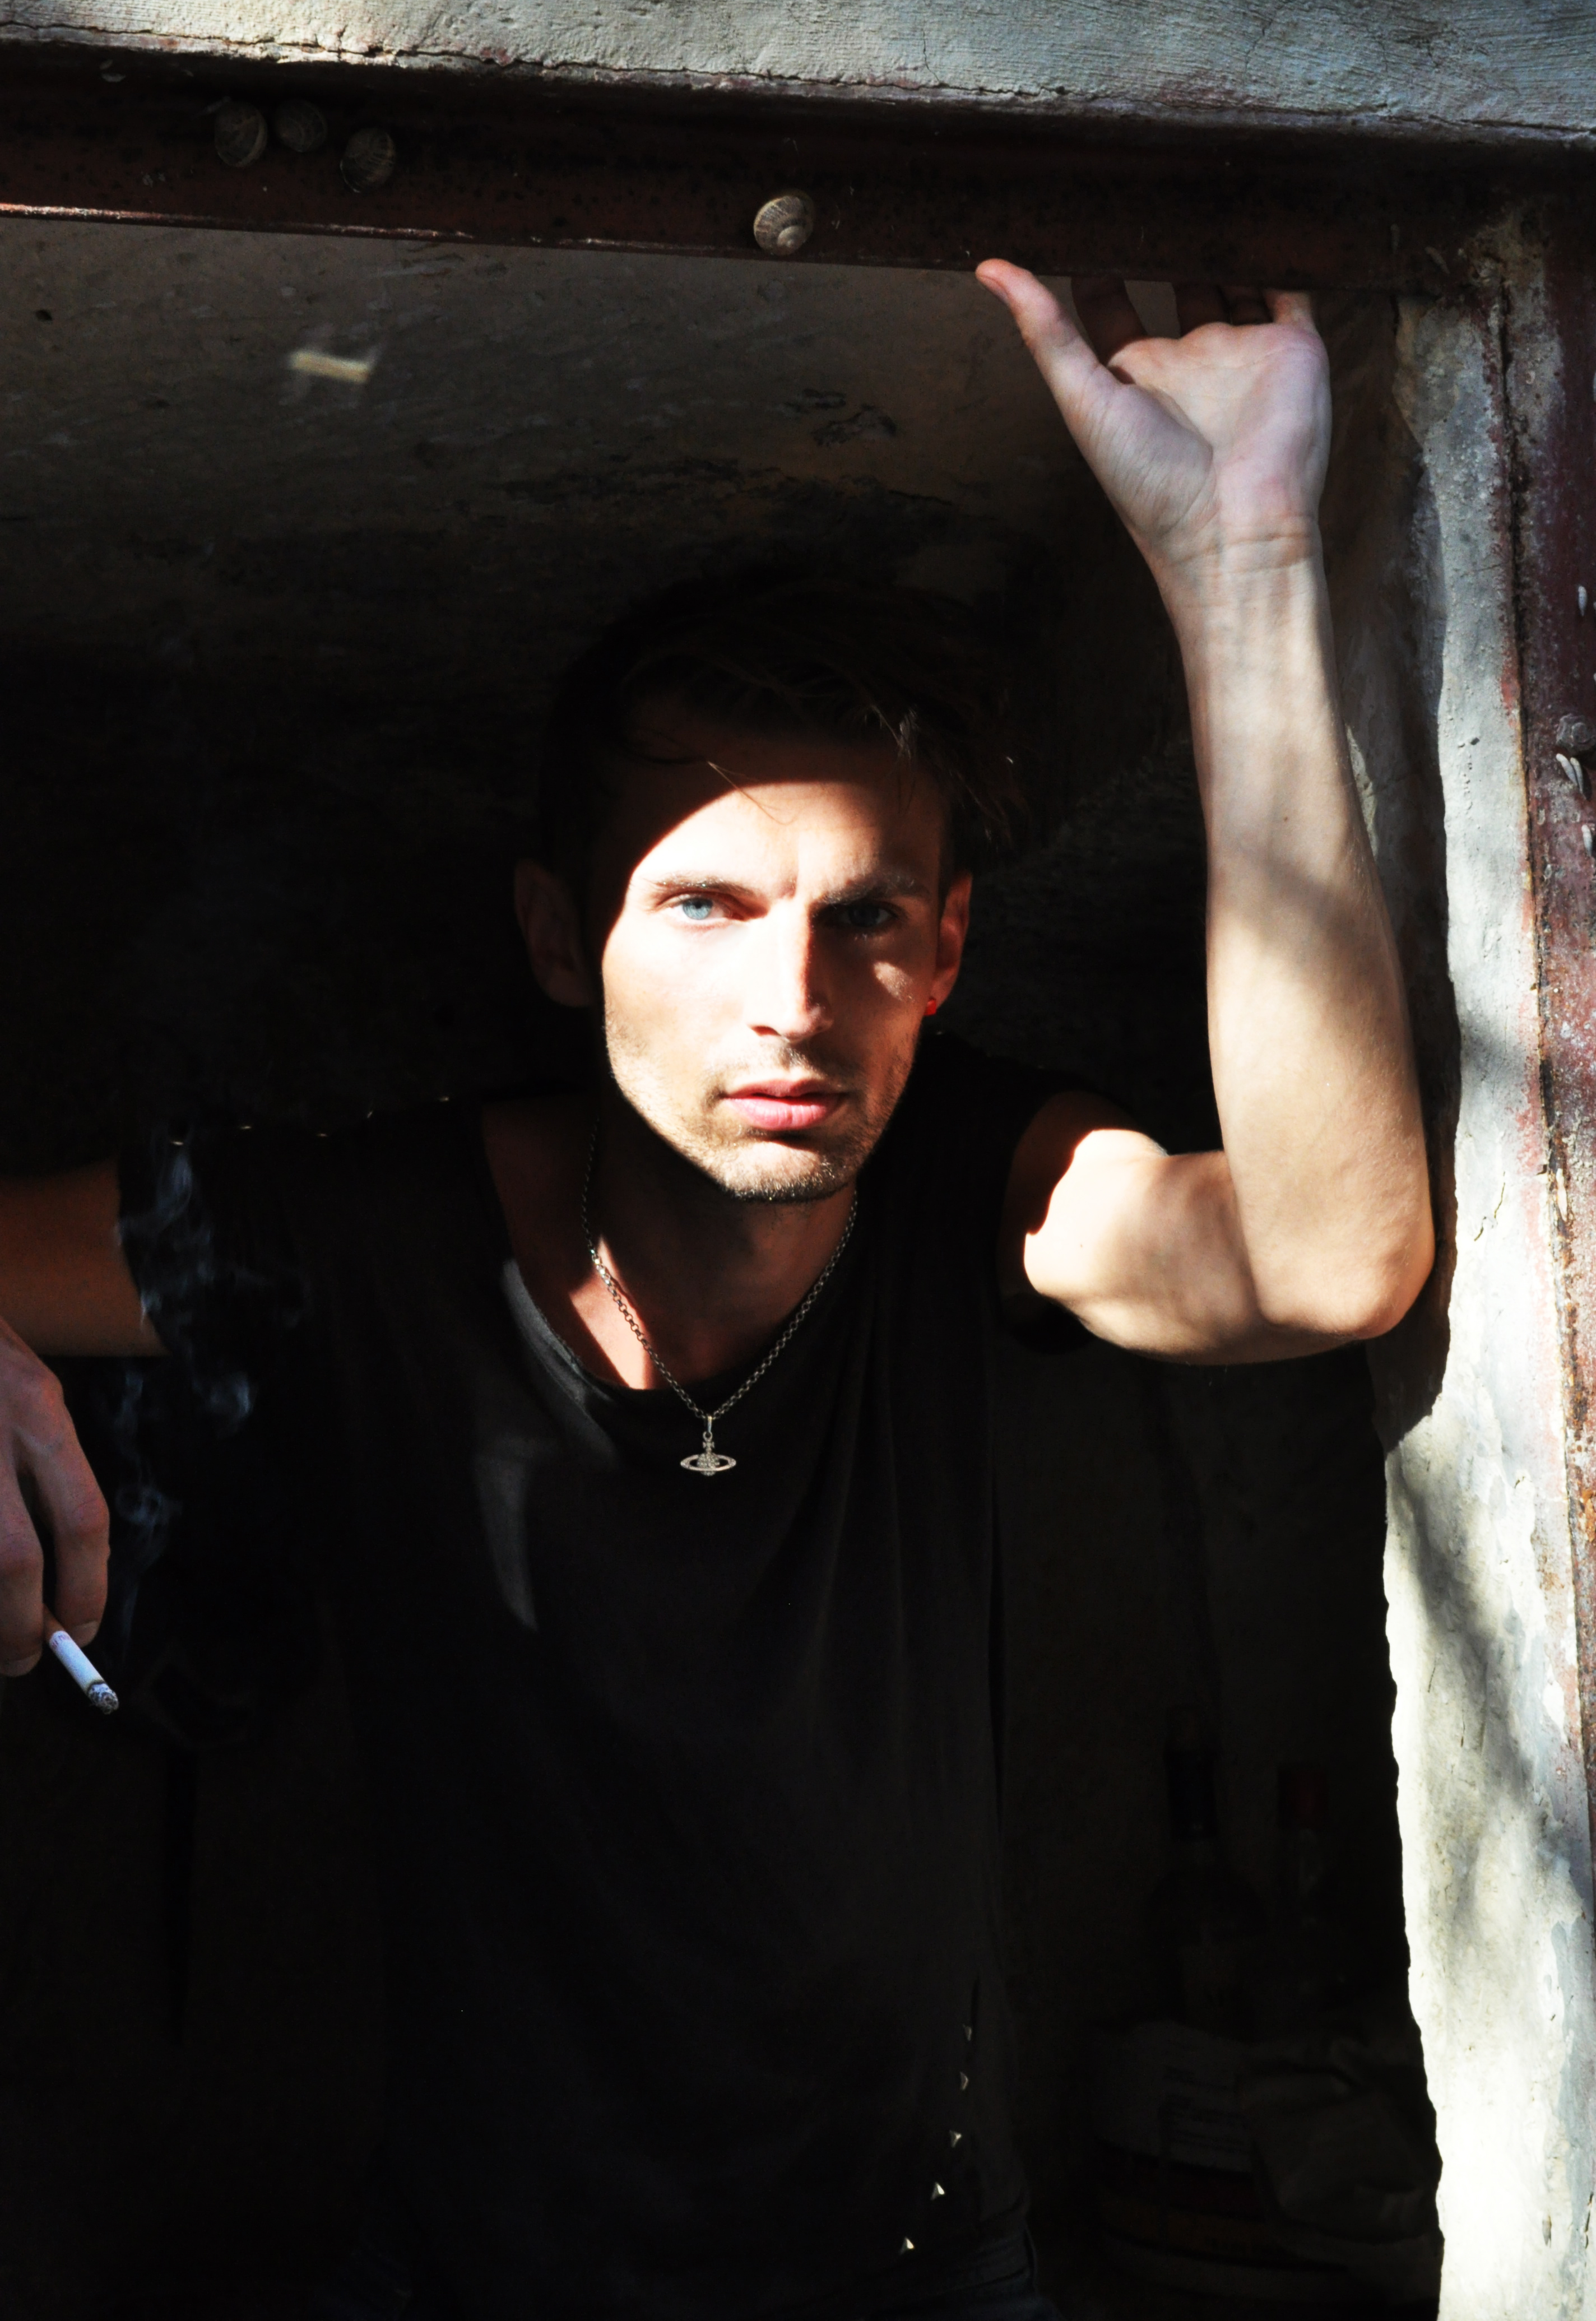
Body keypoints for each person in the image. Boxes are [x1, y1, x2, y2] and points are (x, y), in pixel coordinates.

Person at [0, 267, 1432, 2321]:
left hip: (927, 2274)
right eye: (705, 906)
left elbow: (1325, 1254)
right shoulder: (360, 1230)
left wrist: (1243, 560)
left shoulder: (973, 1183)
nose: (795, 1001)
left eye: (867, 922)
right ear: (560, 937)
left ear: (948, 957)